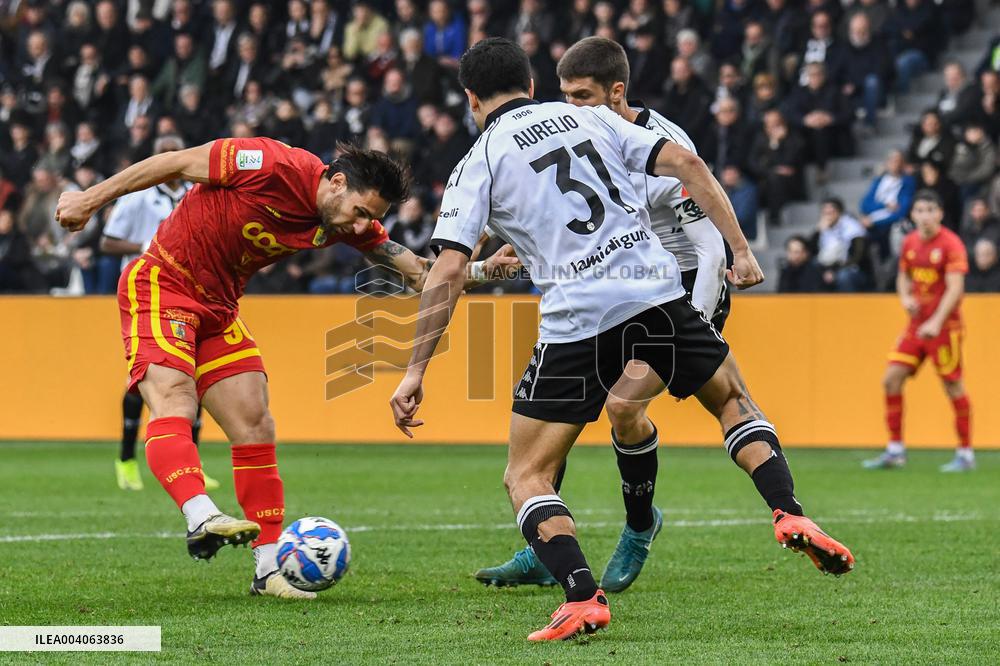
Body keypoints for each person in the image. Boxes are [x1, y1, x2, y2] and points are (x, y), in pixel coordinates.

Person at [389, 37, 853, 642]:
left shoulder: (476, 163)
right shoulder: (590, 118)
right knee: (733, 401)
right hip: (658, 295)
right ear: (532, 86)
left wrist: (414, 370)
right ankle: (788, 510)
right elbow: (689, 164)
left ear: (472, 99)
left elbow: (448, 270)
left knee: (526, 473)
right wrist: (741, 249)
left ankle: (581, 596)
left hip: (578, 321)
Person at [55, 139, 516, 599]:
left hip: (219, 308)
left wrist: (484, 272)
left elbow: (419, 274)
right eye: (359, 212)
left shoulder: (346, 223)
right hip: (164, 281)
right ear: (337, 182)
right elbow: (174, 162)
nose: (361, 226)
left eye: (369, 219)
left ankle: (269, 569)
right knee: (176, 398)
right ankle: (201, 515)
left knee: (256, 422)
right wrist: (90, 199)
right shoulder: (269, 165)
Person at [474, 36, 729, 593]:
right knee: (547, 425)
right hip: (611, 297)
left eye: (582, 96)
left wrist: (698, 326)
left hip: (680, 290)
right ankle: (542, 549)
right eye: (564, 95)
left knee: (623, 408)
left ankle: (640, 527)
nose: (570, 107)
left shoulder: (667, 146)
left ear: (617, 92)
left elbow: (711, 249)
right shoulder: (579, 131)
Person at [99, 135, 219, 493]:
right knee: (141, 378)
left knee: (196, 375)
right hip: (147, 294)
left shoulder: (197, 192)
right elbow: (107, 241)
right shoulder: (138, 196)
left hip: (193, 293)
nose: (172, 161)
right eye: (165, 155)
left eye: (176, 154)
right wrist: (146, 245)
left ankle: (191, 465)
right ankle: (126, 458)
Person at [864, 190, 975, 473]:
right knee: (891, 379)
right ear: (912, 214)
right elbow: (903, 276)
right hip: (916, 326)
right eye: (919, 210)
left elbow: (955, 288)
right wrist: (905, 298)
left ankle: (965, 453)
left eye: (930, 210)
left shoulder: (951, 244)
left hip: (944, 328)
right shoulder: (910, 242)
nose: (924, 216)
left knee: (953, 386)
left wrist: (937, 321)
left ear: (939, 213)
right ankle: (895, 450)